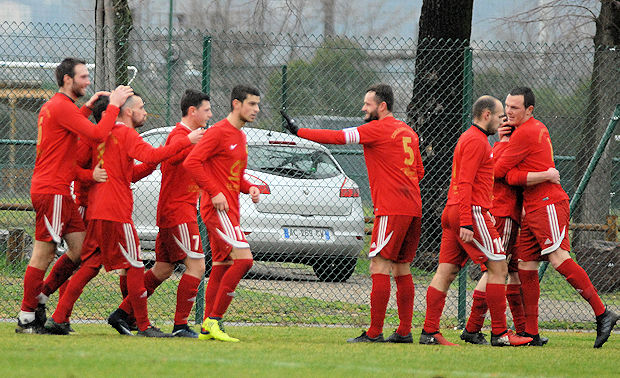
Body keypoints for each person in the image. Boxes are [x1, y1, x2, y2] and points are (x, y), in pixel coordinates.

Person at [44, 93, 205, 337]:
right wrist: (186, 141)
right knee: (134, 265)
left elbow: (129, 172)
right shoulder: (122, 133)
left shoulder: (107, 135)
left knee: (91, 264)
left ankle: (59, 316)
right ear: (127, 111)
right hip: (113, 211)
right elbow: (150, 155)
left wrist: (153, 164)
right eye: (141, 107)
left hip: (101, 209)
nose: (145, 112)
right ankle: (142, 325)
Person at [281, 83, 424, 343]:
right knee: (402, 268)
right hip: (413, 207)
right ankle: (403, 331)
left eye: (367, 104)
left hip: (391, 208)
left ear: (382, 106)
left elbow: (337, 137)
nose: (363, 108)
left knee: (379, 265)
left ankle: (375, 332)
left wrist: (299, 131)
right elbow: (419, 172)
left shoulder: (376, 129)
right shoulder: (409, 132)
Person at [494, 87, 618, 349]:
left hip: (547, 203)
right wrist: (536, 173)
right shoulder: (529, 129)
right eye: (507, 106)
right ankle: (532, 333)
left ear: (529, 110)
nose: (508, 112)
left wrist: (502, 143)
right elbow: (512, 176)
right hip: (532, 206)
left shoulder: (525, 132)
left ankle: (602, 312)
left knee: (558, 257)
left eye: (514, 107)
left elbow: (498, 170)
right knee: (526, 265)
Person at [16, 57, 132, 333]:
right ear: (67, 79)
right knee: (42, 254)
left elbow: (70, 124)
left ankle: (40, 297)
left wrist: (89, 105)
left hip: (59, 192)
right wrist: (114, 104)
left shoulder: (58, 107)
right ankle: (26, 318)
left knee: (80, 249)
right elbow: (96, 134)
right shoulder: (60, 106)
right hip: (51, 190)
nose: (88, 80)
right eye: (83, 77)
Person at [419, 95, 533, 347]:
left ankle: (429, 332)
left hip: (456, 210)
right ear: (486, 115)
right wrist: (467, 222)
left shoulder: (472, 139)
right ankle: (500, 334)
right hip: (469, 212)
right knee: (499, 267)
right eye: (500, 115)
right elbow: (466, 183)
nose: (503, 119)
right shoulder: (476, 141)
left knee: (446, 272)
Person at [107, 89, 213, 338]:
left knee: (163, 269)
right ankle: (180, 325)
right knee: (197, 266)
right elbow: (176, 160)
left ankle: (122, 314)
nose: (210, 114)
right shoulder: (180, 136)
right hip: (179, 213)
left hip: (172, 213)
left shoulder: (186, 137)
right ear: (192, 111)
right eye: (206, 110)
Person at [184, 85, 261, 342]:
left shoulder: (239, 135)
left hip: (231, 210)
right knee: (244, 260)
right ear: (236, 104)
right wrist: (214, 192)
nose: (256, 110)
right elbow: (191, 162)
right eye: (251, 104)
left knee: (222, 264)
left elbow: (234, 175)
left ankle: (207, 327)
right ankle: (215, 319)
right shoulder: (217, 132)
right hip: (217, 210)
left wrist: (249, 186)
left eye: (258, 105)